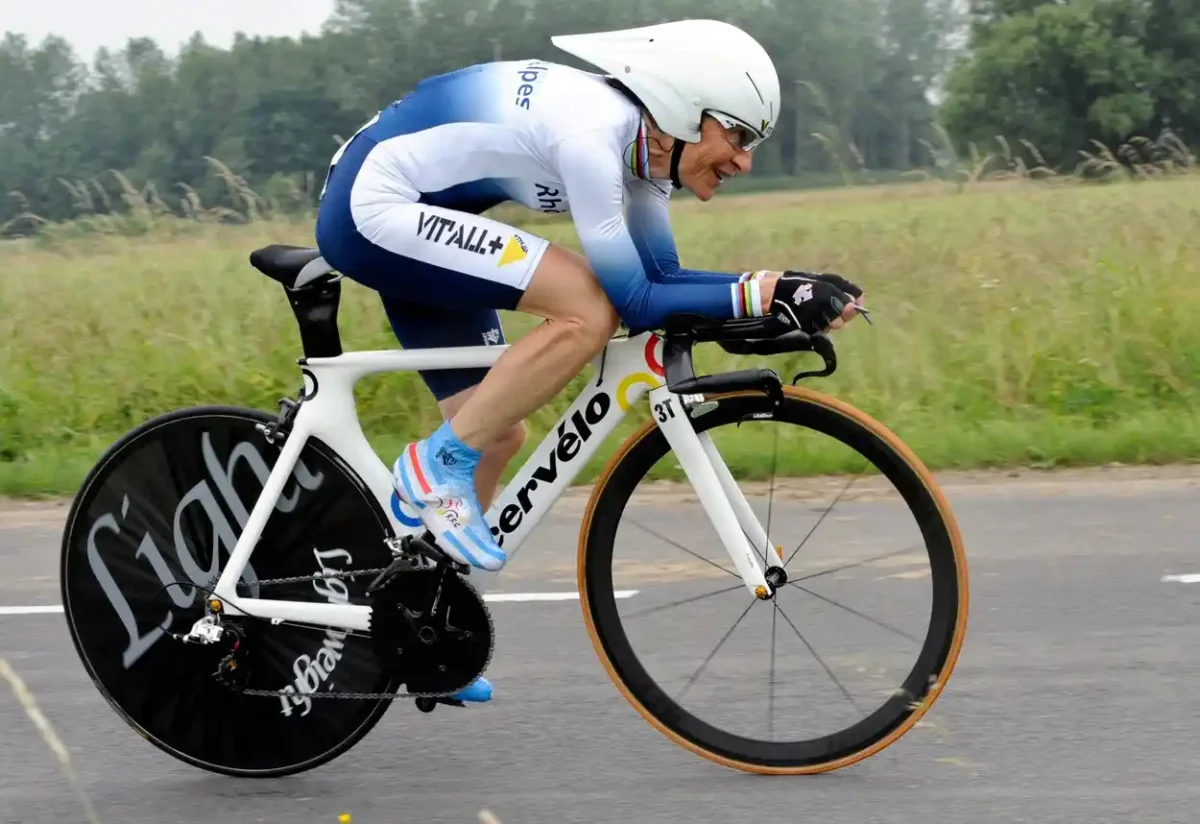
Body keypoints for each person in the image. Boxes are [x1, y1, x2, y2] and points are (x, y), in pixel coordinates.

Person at [314, 18, 866, 704]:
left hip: (414, 209)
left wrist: (779, 293)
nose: (744, 161)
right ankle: (432, 466)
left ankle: (421, 631)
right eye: (740, 136)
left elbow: (663, 277)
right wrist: (764, 289)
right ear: (685, 110)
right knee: (587, 311)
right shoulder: (591, 136)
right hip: (376, 207)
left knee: (498, 429)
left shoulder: (644, 159)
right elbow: (634, 300)